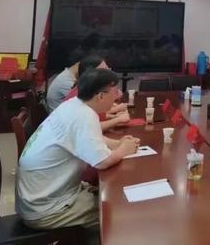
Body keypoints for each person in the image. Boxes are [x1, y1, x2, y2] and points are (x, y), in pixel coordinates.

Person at [16, 68, 140, 232]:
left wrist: (117, 144)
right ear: (100, 96)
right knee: (117, 213)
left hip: (41, 197)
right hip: (46, 210)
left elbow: (85, 138)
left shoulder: (73, 105)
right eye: (115, 92)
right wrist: (123, 150)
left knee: (110, 194)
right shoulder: (84, 116)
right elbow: (102, 162)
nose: (117, 96)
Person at [63, 55, 130, 132]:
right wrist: (117, 119)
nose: (108, 73)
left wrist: (113, 117)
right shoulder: (80, 97)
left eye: (108, 69)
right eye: (104, 71)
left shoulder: (87, 91)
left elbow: (95, 118)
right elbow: (90, 129)